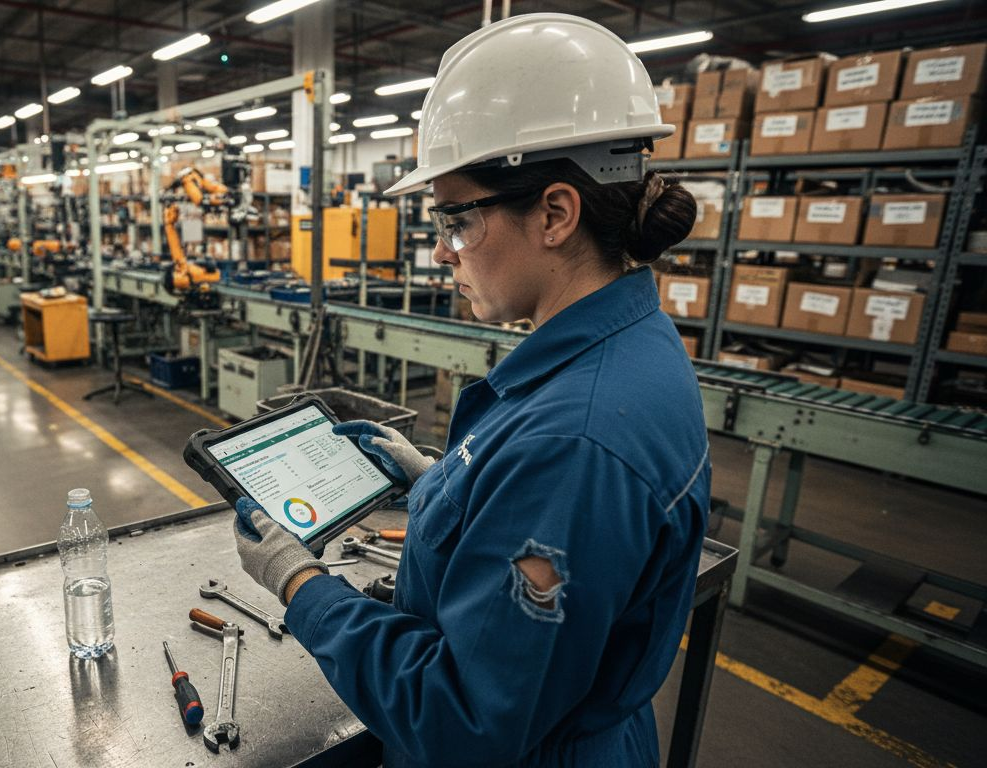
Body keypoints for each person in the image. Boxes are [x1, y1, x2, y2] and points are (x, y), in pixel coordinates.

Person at [230, 13, 709, 767]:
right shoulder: (632, 346)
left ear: (555, 213)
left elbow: (463, 720)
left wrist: (302, 586)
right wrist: (449, 485)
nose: (443, 252)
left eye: (457, 218)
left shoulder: (574, 441)